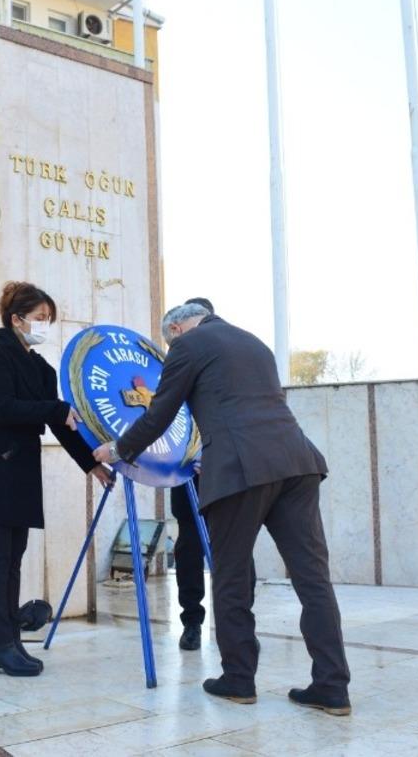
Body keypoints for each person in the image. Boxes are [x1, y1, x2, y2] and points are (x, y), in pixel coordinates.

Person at [93, 304, 352, 715]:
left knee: (231, 575)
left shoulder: (188, 345)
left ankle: (238, 679)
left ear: (176, 328)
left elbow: (159, 413)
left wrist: (119, 449)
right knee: (313, 579)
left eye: (169, 340)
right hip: (298, 463)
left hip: (240, 469)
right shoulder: (253, 342)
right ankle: (332, 686)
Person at [0, 282, 112, 677]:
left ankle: (8, 641)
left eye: (48, 319)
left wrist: (91, 463)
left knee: (12, 559)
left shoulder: (40, 367)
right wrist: (55, 407)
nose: (44, 325)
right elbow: (3, 408)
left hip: (17, 472)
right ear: (16, 319)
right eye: (38, 318)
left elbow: (61, 423)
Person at [171, 298, 257, 653]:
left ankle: (240, 623)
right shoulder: (181, 359)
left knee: (236, 545)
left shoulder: (233, 361)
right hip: (187, 473)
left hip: (227, 468)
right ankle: (192, 621)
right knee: (189, 544)